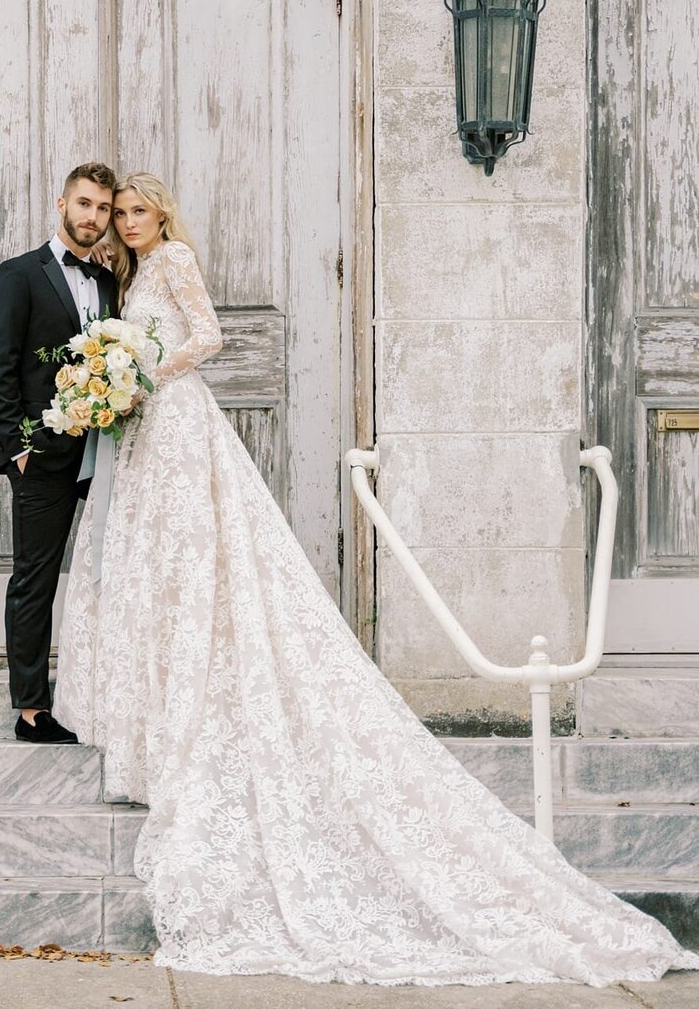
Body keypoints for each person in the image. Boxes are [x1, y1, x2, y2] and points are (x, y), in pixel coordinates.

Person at [54, 172, 699, 986]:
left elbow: (210, 336)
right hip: (150, 430)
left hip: (179, 420)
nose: (129, 222)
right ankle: (155, 704)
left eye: (139, 211)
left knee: (197, 558)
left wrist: (146, 372)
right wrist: (117, 373)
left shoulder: (175, 258)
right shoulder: (127, 272)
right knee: (160, 568)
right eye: (121, 213)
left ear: (161, 215)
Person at [0, 161, 118, 744]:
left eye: (104, 209)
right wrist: (16, 448)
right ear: (61, 205)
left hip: (109, 452)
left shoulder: (112, 282)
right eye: (84, 204)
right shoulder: (19, 275)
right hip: (44, 457)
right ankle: (32, 706)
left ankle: (103, 692)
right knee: (36, 578)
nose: (94, 217)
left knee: (111, 576)